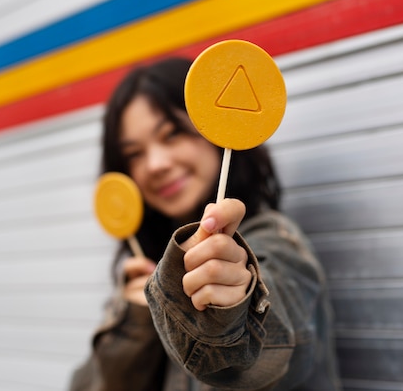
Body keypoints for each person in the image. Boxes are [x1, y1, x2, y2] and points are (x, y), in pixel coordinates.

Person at [70, 57, 341, 391]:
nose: (155, 164)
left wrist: (233, 309)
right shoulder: (147, 271)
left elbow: (272, 348)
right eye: (134, 154)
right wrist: (135, 324)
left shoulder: (276, 244)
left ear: (215, 128)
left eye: (171, 134)